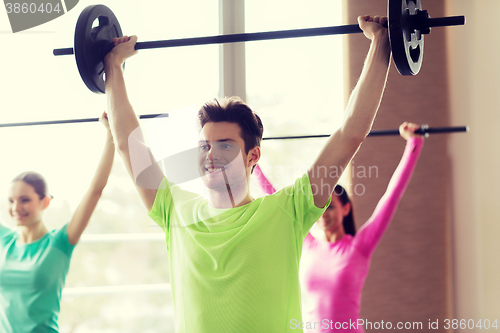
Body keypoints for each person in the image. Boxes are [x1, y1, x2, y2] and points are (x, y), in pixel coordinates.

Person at [104, 14, 390, 333]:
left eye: (225, 146)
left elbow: (349, 134)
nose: (210, 155)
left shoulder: (286, 211)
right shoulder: (175, 209)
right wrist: (114, 67)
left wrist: (381, 43)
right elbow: (130, 146)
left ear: (253, 155)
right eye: (204, 146)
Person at [255, 122, 424, 332]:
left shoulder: (359, 247)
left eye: (331, 207)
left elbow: (392, 194)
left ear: (345, 209)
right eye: (321, 208)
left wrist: (413, 144)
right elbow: (276, 201)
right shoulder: (308, 244)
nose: (324, 214)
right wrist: (253, 163)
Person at [0, 113, 115, 333]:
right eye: (11, 201)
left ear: (44, 202)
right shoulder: (4, 240)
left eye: (25, 200)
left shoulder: (60, 242)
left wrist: (111, 133)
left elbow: (95, 191)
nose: (16, 208)